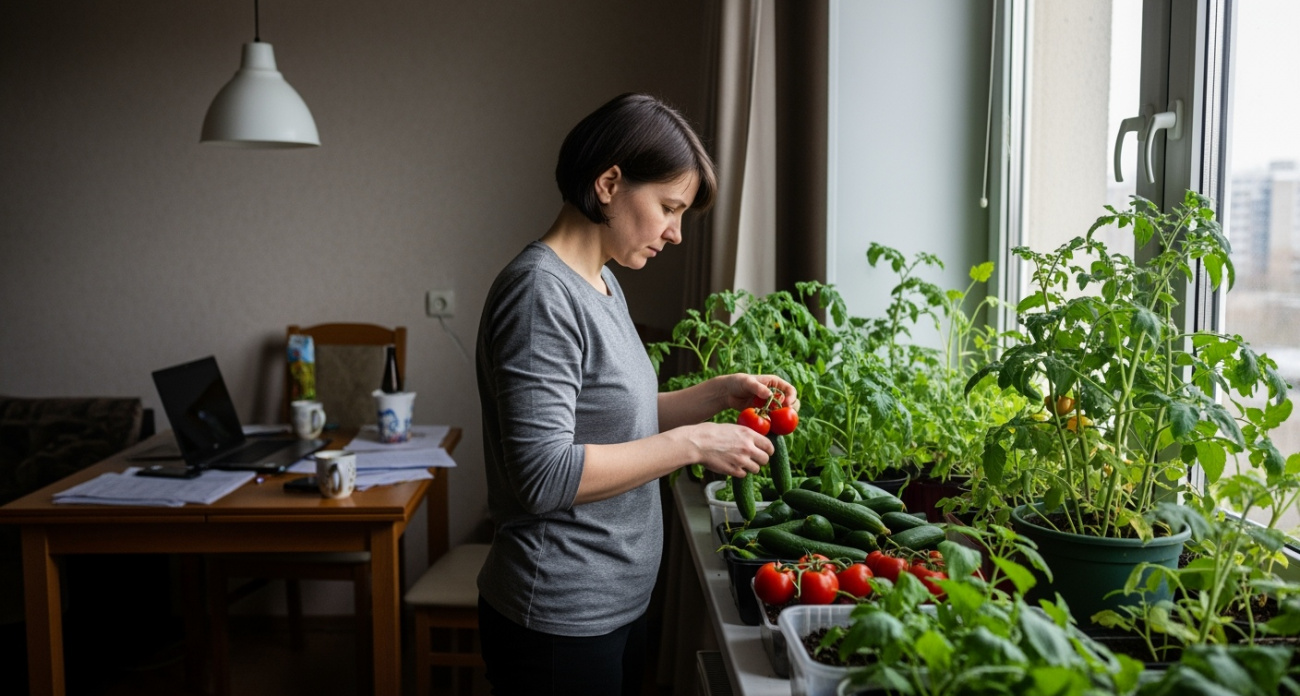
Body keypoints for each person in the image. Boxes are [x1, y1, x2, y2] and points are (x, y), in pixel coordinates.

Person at [474, 92, 800, 695]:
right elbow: (544, 474)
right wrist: (691, 444)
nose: (676, 234)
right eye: (669, 208)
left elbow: (606, 421)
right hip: (559, 617)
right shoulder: (540, 295)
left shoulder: (601, 282)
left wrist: (716, 395)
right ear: (609, 182)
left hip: (614, 603)